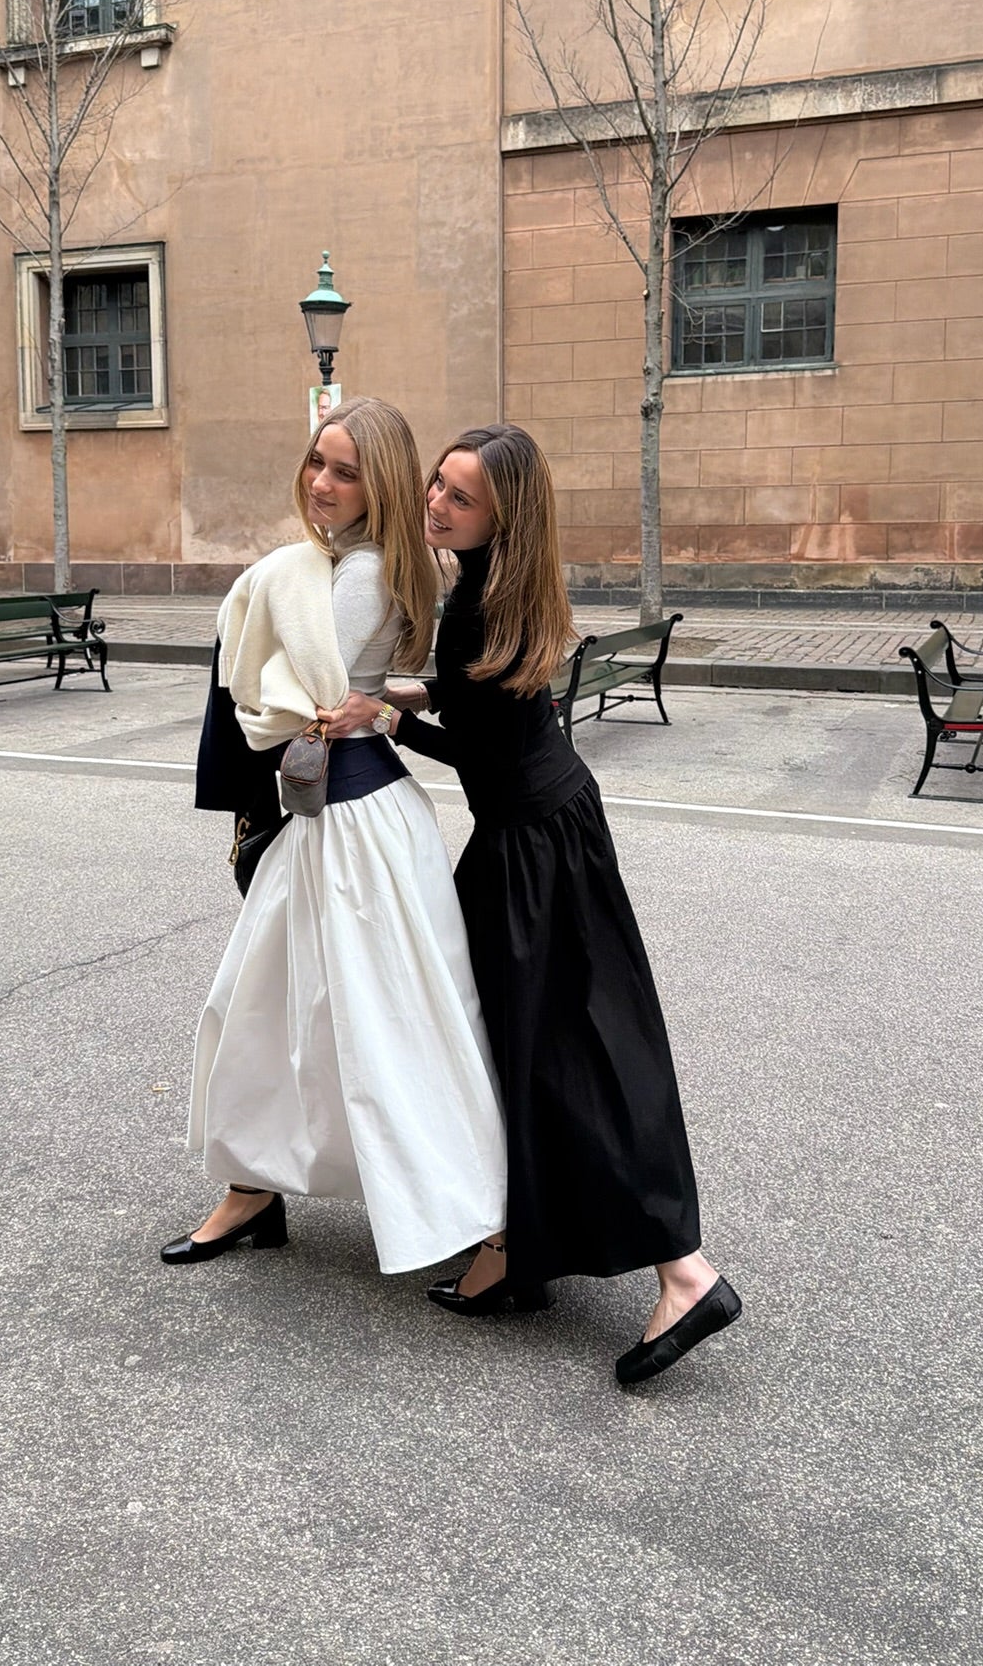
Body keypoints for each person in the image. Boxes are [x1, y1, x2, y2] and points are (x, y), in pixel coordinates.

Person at [320, 424, 741, 1386]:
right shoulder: (500, 585)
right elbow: (484, 703)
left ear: (500, 516)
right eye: (437, 484)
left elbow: (479, 749)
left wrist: (384, 715)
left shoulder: (478, 603)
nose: (435, 503)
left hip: (529, 853)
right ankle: (517, 1249)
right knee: (537, 1050)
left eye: (459, 497)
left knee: (559, 1058)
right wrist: (404, 692)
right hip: (550, 831)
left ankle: (682, 1273)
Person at [162, 398, 506, 1278]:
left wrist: (273, 619)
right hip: (344, 818)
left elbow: (291, 707)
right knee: (274, 1005)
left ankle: (481, 1214)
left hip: (350, 828)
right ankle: (253, 1188)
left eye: (345, 471)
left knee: (381, 1023)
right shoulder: (341, 564)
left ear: (379, 483)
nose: (320, 482)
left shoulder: (359, 574)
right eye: (317, 461)